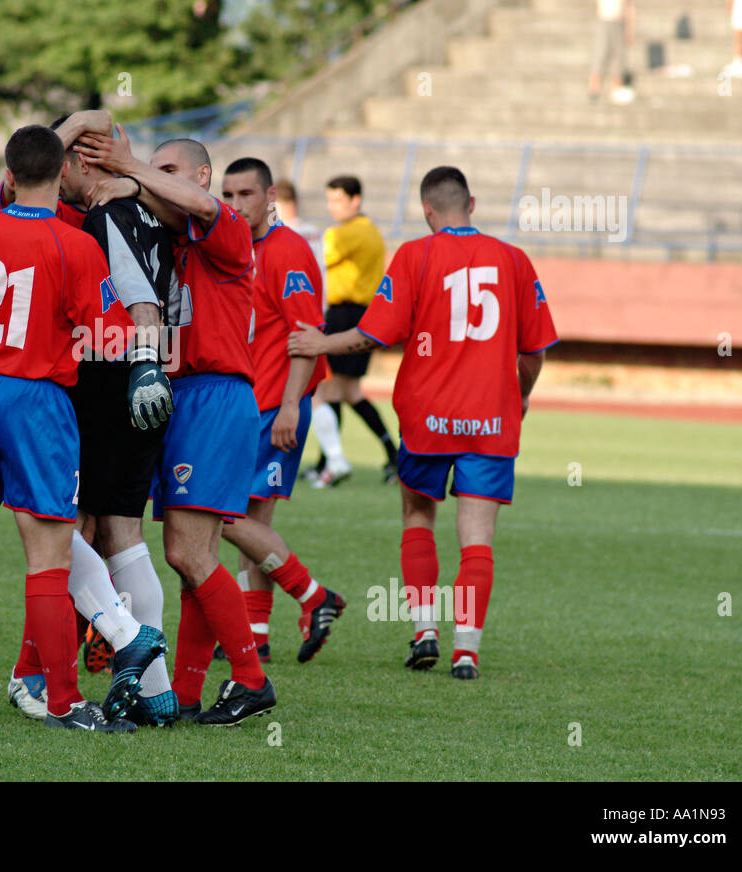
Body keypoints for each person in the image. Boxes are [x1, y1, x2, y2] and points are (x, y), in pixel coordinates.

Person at [0, 124, 168, 733]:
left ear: (6, 174)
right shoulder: (76, 245)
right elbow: (106, 333)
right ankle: (62, 700)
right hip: (35, 397)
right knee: (49, 555)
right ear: (62, 176)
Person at [288, 166, 558, 680]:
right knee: (477, 538)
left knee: (418, 517)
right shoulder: (515, 260)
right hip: (491, 419)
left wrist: (321, 342)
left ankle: (424, 632)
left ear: (427, 210)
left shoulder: (416, 254)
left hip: (428, 415)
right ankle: (467, 652)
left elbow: (375, 332)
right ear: (471, 203)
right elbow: (535, 352)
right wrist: (519, 395)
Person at [76, 128, 276, 726]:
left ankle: (251, 678)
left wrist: (131, 168)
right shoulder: (167, 236)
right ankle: (184, 693)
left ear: (199, 176)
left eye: (167, 169)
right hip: (182, 395)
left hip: (213, 394)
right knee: (195, 560)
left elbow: (205, 208)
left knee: (186, 553)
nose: (150, 179)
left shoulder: (228, 227)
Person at [6, 113, 178, 727]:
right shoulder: (161, 205)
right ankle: (154, 693)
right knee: (118, 533)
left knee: (56, 526)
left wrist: (142, 366)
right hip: (149, 382)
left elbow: (139, 302)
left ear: (81, 163)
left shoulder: (101, 216)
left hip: (108, 381)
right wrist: (132, 170)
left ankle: (47, 674)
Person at [215, 157, 346, 664]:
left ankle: (315, 596)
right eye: (227, 195)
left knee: (220, 514)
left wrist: (292, 404)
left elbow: (307, 339)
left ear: (270, 198)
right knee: (252, 520)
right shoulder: (229, 246)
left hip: (274, 405)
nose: (234, 205)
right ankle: (257, 634)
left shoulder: (288, 250)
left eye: (245, 194)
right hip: (244, 405)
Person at [317, 175, 398, 484]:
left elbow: (317, 257)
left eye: (338, 200)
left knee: (330, 389)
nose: (332, 207)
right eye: (330, 199)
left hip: (347, 314)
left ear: (355, 200)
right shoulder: (369, 231)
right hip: (358, 314)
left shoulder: (350, 233)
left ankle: (330, 462)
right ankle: (393, 455)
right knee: (349, 391)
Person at [586, 0, 635, 102]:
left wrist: (630, 28)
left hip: (619, 23)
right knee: (600, 55)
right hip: (605, 21)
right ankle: (594, 89)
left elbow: (629, 8)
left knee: (620, 58)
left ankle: (616, 90)